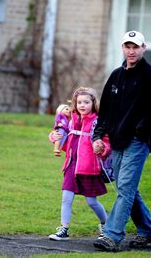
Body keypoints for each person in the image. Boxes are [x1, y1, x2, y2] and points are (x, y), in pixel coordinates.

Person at [91, 31, 151, 252]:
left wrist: (139, 131)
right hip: (116, 141)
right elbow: (104, 112)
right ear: (123, 48)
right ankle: (149, 230)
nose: (131, 51)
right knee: (128, 187)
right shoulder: (116, 76)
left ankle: (112, 236)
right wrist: (98, 136)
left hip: (137, 141)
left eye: (135, 47)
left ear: (144, 48)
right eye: (127, 47)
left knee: (124, 187)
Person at [48, 87, 111, 241]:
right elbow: (62, 134)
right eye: (79, 102)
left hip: (89, 168)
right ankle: (64, 229)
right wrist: (53, 135)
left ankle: (106, 225)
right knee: (66, 197)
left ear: (93, 103)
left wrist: (102, 148)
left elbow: (107, 142)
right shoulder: (72, 119)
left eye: (86, 102)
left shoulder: (98, 121)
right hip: (71, 164)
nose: (83, 105)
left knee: (91, 201)